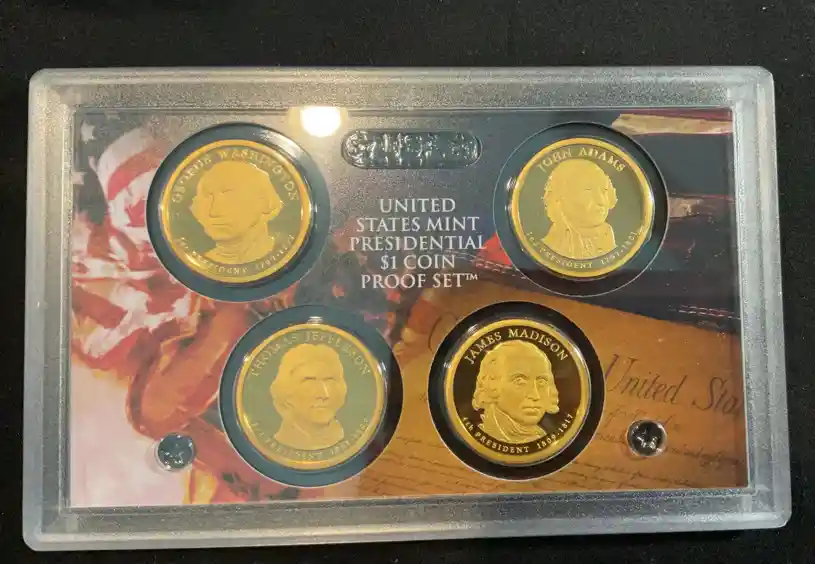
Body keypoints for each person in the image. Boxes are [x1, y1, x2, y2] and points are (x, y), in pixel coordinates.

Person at [190, 161, 283, 264]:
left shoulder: (279, 254)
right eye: (208, 196)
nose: (214, 212)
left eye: (229, 194)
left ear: (264, 201)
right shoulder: (198, 262)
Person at [472, 340, 560, 444]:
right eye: (520, 381)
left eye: (541, 382)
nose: (535, 395)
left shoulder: (545, 438)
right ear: (492, 383)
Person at [269, 343, 347, 450]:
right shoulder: (282, 442)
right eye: (310, 384)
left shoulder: (344, 439)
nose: (324, 395)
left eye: (330, 381)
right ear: (286, 392)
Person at [541, 158, 618, 259]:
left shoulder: (607, 236)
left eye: (604, 191)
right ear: (560, 197)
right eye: (587, 191)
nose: (601, 201)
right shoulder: (552, 246)